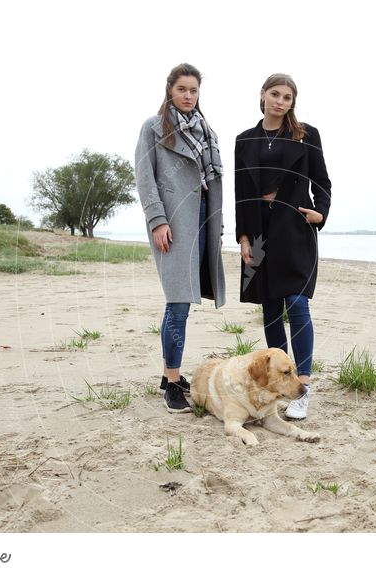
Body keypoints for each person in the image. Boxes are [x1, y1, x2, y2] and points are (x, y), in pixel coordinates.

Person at [234, 73, 332, 420]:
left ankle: (302, 385)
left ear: (293, 102)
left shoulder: (306, 135)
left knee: (297, 303)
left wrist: (320, 213)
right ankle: (279, 385)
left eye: (287, 97)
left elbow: (322, 181)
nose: (280, 101)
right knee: (271, 309)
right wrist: (243, 238)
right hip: (259, 233)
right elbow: (241, 193)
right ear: (262, 95)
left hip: (295, 230)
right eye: (275, 94)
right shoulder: (244, 140)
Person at [135, 63, 226, 413]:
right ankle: (172, 382)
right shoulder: (154, 128)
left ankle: (167, 374)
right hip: (173, 223)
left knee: (185, 300)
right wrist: (158, 219)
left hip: (203, 220)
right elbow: (145, 178)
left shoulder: (207, 131)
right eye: (182, 89)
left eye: (194, 91)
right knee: (178, 302)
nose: (188, 96)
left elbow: (212, 184)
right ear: (169, 90)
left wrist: (217, 228)